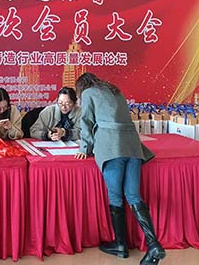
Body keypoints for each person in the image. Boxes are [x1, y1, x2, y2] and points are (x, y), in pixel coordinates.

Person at [74, 73, 165, 265]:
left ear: (81, 87)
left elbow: (86, 122)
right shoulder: (115, 91)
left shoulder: (88, 93)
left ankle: (120, 244)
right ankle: (153, 244)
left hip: (111, 146)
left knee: (115, 196)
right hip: (133, 146)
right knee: (133, 195)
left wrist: (84, 149)